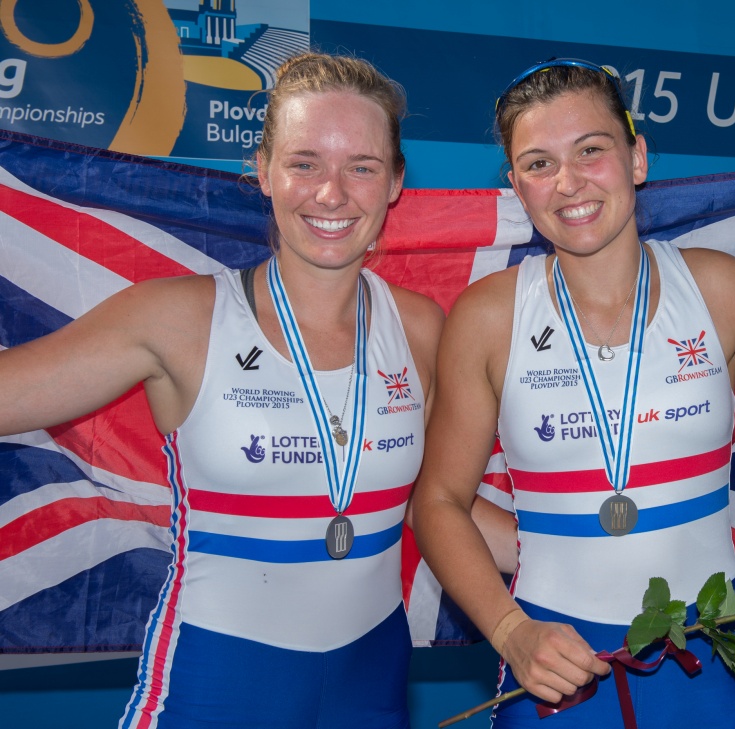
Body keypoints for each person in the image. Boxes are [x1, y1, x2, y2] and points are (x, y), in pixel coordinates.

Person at [412, 58, 735, 728]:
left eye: (591, 151)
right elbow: (438, 501)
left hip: (706, 655)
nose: (568, 182)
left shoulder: (716, 288)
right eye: (539, 163)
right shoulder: (488, 315)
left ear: (637, 157)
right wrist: (513, 632)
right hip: (554, 656)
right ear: (516, 185)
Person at [0, 52, 443, 728]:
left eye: (361, 166)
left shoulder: (420, 328)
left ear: (395, 183)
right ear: (264, 171)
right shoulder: (176, 318)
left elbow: (438, 507)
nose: (332, 193)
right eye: (304, 163)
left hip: (372, 681)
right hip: (218, 679)